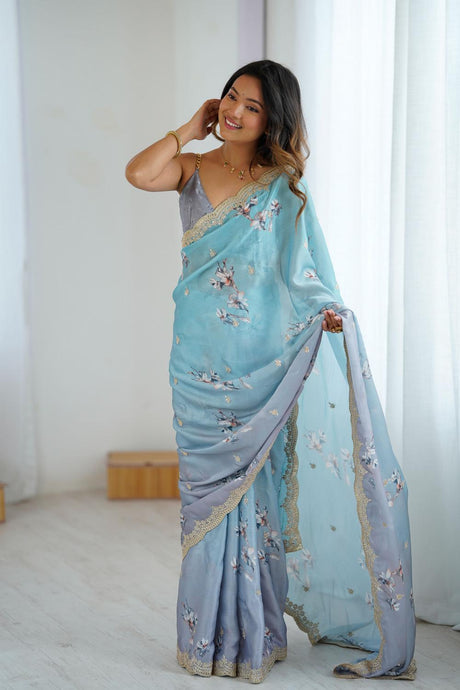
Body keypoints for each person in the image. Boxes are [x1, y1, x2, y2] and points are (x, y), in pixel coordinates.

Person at [125, 60, 416, 684]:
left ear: (272, 119)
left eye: (252, 106)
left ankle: (255, 635)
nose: (235, 111)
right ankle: (207, 639)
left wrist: (326, 312)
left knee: (257, 494)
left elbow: (302, 271)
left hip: (260, 364)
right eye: (231, 97)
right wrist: (188, 129)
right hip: (198, 361)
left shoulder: (282, 187)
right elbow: (138, 173)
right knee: (204, 499)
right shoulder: (192, 168)